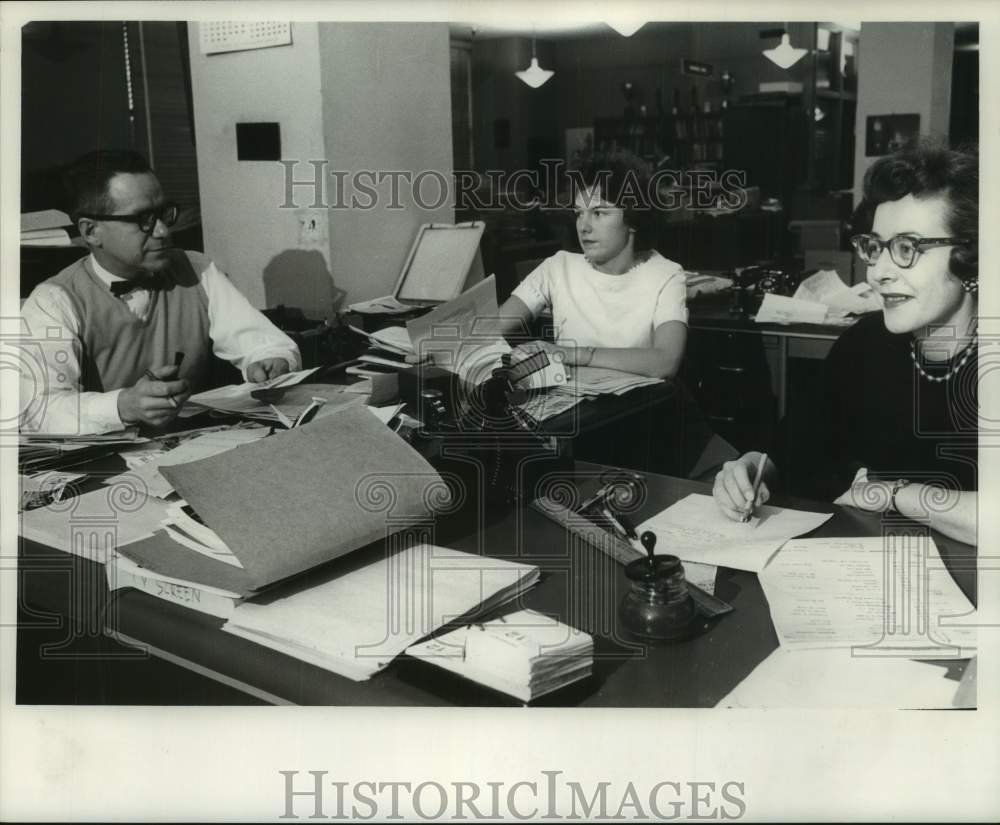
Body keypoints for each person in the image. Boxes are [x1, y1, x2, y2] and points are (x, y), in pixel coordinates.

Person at [712, 141, 978, 545]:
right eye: (876, 247)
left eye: (907, 248)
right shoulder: (864, 343)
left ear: (972, 256)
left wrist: (892, 493)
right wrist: (749, 470)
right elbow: (790, 449)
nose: (878, 273)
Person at [19, 150, 300, 434]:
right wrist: (123, 406)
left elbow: (266, 344)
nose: (163, 231)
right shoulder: (54, 301)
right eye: (143, 219)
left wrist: (270, 361)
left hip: (189, 445)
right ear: (91, 231)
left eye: (163, 214)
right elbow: (37, 410)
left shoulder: (196, 269)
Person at [495, 150, 688, 378]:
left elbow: (666, 361)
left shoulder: (665, 275)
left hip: (637, 406)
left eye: (598, 213)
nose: (583, 226)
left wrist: (574, 354)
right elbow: (487, 331)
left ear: (633, 218)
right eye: (579, 213)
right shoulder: (558, 267)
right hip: (574, 404)